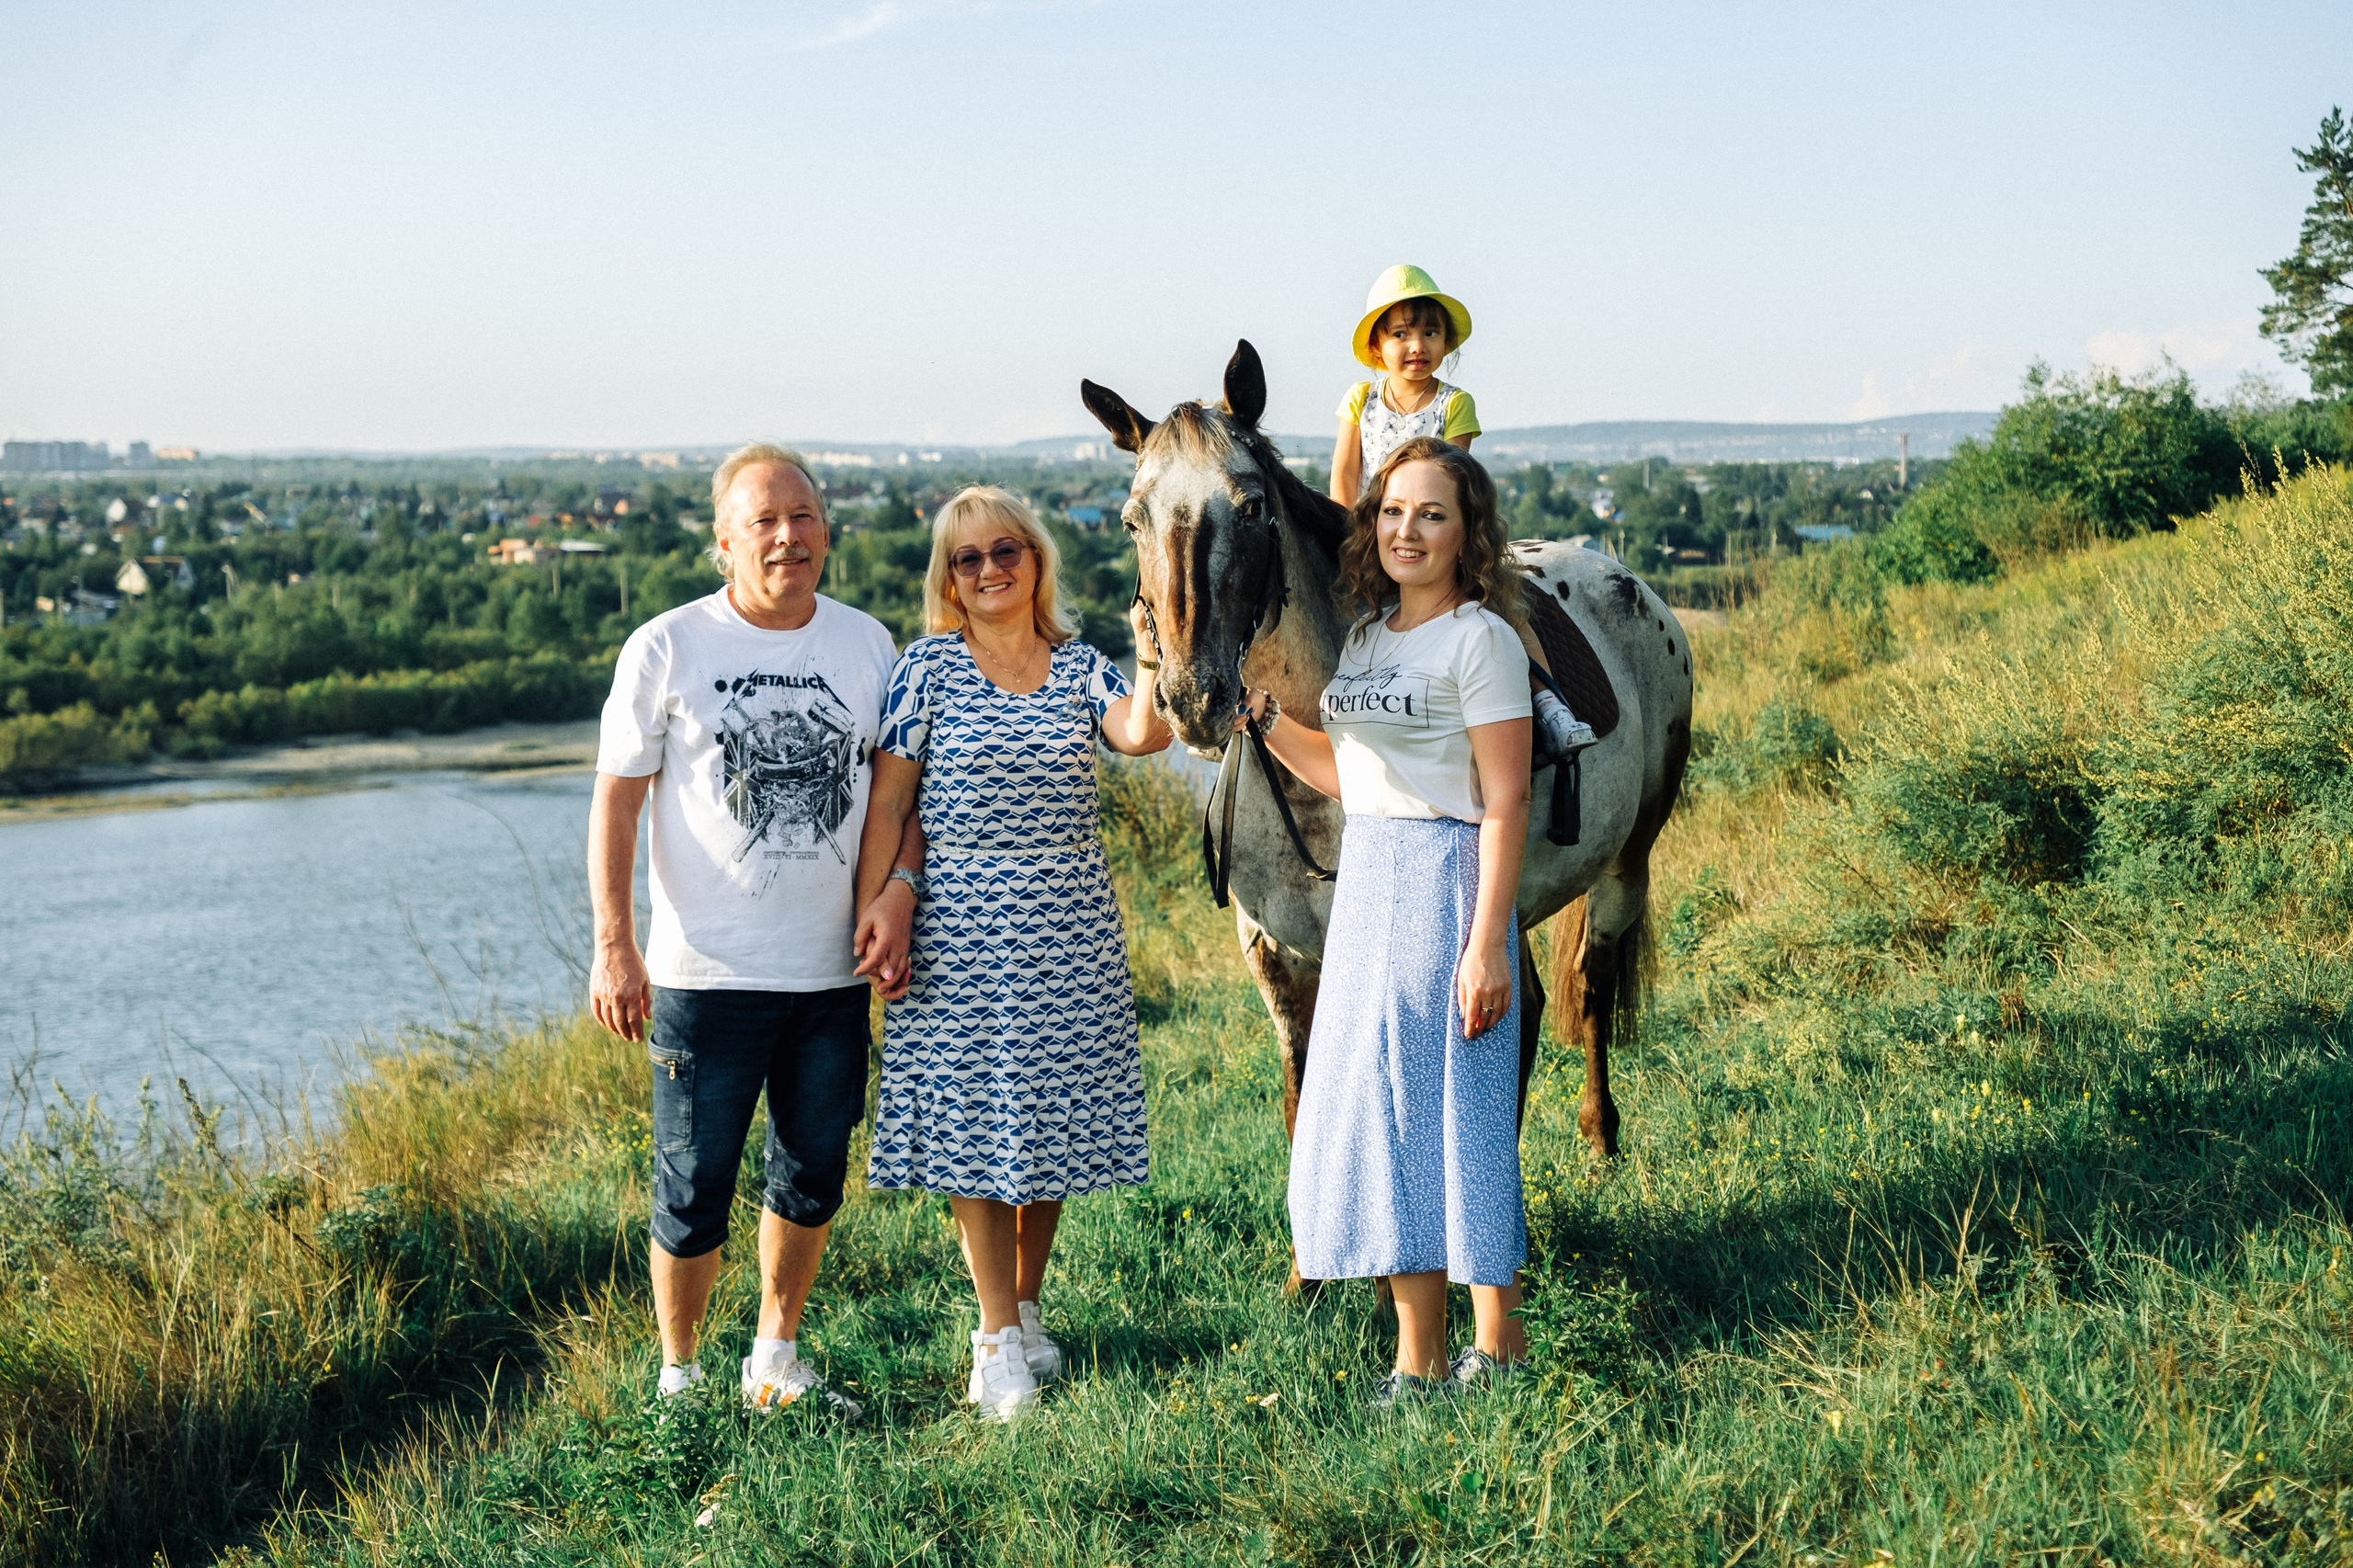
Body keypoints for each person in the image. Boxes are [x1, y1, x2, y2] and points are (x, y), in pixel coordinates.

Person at [587, 442, 921, 1418]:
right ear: (724, 542)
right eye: (764, 521)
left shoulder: (868, 644)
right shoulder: (667, 646)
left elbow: (900, 796)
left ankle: (775, 1353)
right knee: (693, 1181)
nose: (788, 536)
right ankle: (681, 1375)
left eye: (804, 516)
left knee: (812, 1168)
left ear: (827, 531)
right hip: (703, 972)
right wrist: (616, 944)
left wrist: (897, 886)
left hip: (829, 973)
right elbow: (614, 806)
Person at [849, 484, 1172, 1422]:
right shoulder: (928, 669)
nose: (988, 569)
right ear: (947, 578)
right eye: (966, 558)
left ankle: (1026, 1306)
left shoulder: (1080, 665)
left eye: (1005, 550)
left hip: (1069, 920)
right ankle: (994, 1342)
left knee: (1052, 1123)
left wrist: (1150, 646)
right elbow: (888, 804)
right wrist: (876, 906)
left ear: (1036, 559)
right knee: (975, 1130)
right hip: (958, 924)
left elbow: (1141, 732)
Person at [1238, 437, 1535, 1405]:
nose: (1408, 529)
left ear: (1466, 532)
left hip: (1447, 879)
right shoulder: (1367, 637)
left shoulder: (1477, 638)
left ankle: (1495, 1345)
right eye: (1393, 511)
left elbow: (1504, 799)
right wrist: (1270, 721)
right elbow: (1351, 776)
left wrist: (1486, 940)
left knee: (1457, 1120)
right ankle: (1421, 1358)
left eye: (1432, 513)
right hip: (1369, 882)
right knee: (1380, 1122)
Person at [1329, 264, 1480, 509]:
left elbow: (1451, 483)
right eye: (1400, 335)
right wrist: (1345, 531)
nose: (1418, 346)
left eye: (1430, 333)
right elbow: (1345, 473)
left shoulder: (1454, 403)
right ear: (1376, 345)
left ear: (1446, 339)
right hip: (1366, 529)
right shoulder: (1361, 398)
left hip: (1428, 529)